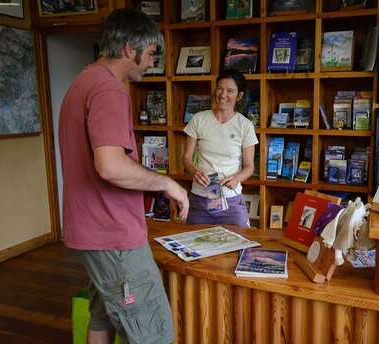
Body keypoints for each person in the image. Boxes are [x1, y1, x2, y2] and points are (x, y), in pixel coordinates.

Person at [58, 8, 189, 344]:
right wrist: (168, 183)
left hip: (93, 234)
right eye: (150, 55)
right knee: (153, 331)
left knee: (102, 316)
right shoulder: (109, 89)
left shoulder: (83, 81)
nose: (151, 63)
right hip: (114, 238)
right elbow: (110, 166)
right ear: (129, 49)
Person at [182, 69, 258, 228]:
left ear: (240, 96)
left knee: (239, 246)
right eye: (219, 88)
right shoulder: (198, 119)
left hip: (231, 200)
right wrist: (194, 171)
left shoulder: (245, 125)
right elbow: (187, 158)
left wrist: (237, 179)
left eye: (230, 91)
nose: (223, 95)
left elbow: (249, 167)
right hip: (200, 199)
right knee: (197, 247)